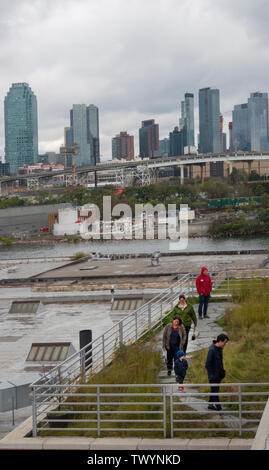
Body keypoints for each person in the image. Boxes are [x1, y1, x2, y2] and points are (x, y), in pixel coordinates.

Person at [205, 333, 229, 411]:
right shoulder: (212, 350)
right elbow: (207, 364)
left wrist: (222, 372)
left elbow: (220, 362)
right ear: (220, 341)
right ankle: (219, 408)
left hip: (219, 375)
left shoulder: (220, 349)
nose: (225, 345)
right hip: (213, 376)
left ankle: (210, 405)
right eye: (224, 343)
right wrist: (212, 375)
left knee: (214, 390)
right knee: (215, 392)